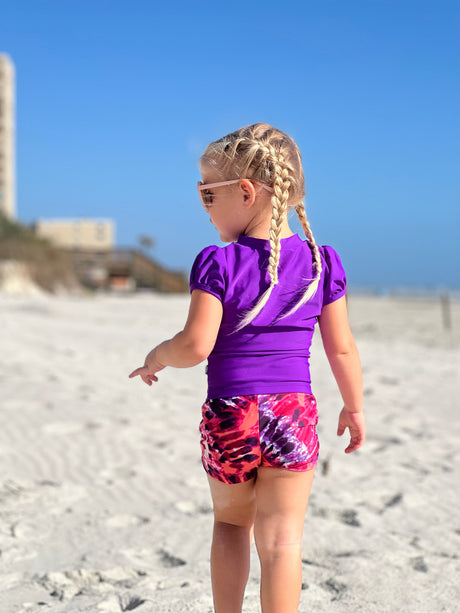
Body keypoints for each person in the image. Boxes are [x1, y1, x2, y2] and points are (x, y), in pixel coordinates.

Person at [129, 123, 365, 613]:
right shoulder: (322, 263)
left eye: (207, 194)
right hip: (292, 413)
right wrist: (354, 406)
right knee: (282, 541)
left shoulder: (218, 262)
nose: (203, 206)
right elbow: (341, 349)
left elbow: (195, 345)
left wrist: (157, 356)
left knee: (232, 524)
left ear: (245, 192)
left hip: (231, 414)